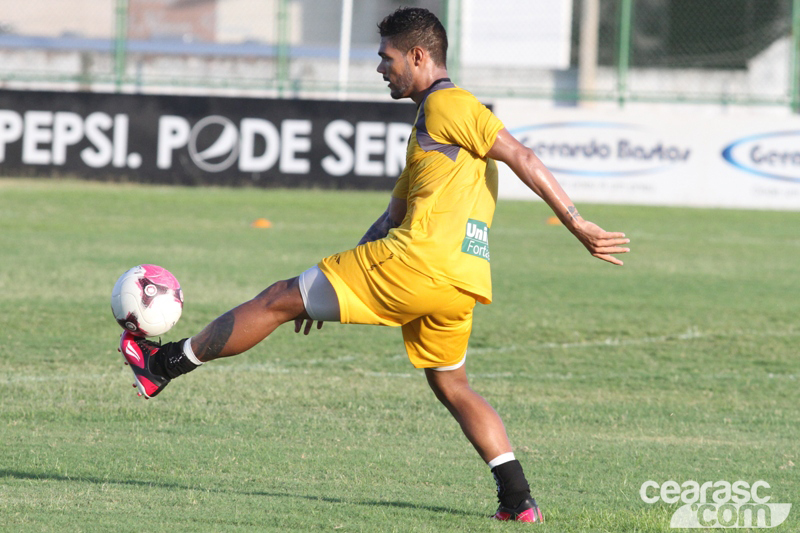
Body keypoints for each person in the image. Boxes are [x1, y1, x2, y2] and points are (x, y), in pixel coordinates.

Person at [118, 6, 630, 523]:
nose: (379, 68)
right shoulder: (429, 133)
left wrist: (577, 222)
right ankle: (519, 500)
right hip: (460, 282)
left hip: (416, 264)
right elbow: (391, 217)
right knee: (453, 385)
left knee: (275, 300)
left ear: (417, 55)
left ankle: (161, 367)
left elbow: (522, 156)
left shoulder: (450, 104)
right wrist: (324, 288)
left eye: (386, 58)